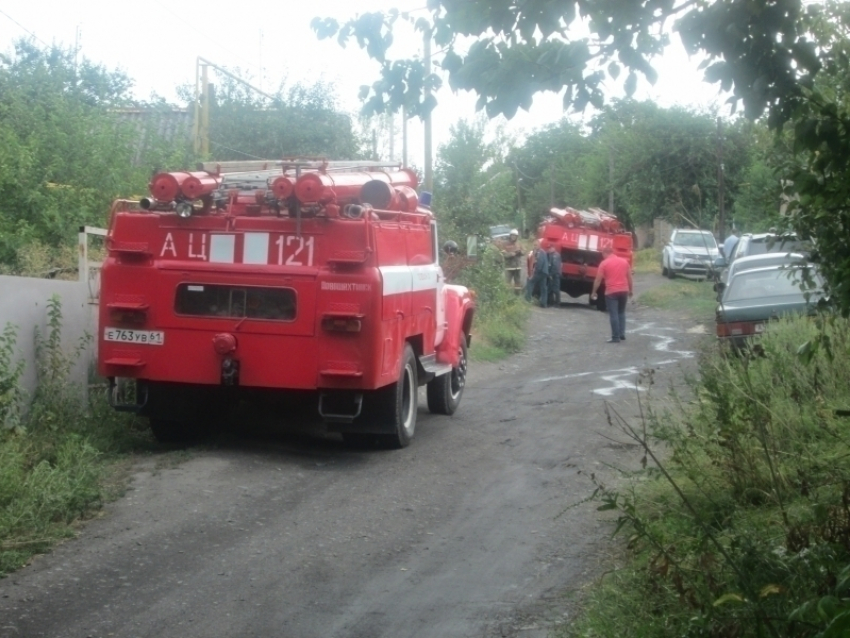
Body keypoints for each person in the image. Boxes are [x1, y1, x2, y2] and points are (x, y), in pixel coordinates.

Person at [590, 246, 633, 343]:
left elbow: (598, 280)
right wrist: (631, 290)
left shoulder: (604, 264)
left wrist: (593, 292)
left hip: (611, 292)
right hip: (624, 290)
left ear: (605, 253)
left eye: (603, 255)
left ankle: (615, 337)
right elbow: (629, 278)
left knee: (613, 314)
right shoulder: (624, 262)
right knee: (621, 312)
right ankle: (622, 333)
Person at [525, 240, 549, 308]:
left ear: (539, 245)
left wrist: (533, 274)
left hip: (540, 272)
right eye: (534, 245)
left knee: (530, 282)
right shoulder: (543, 252)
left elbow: (539, 264)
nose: (534, 246)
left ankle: (527, 299)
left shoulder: (539, 252)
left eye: (536, 245)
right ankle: (543, 303)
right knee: (543, 288)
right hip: (544, 272)